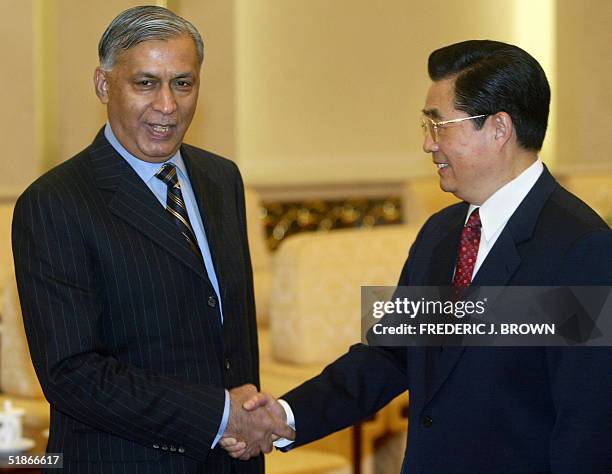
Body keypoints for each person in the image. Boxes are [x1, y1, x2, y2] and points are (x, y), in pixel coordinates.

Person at [221, 40, 612, 473]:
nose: (429, 144)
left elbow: (588, 426)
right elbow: (390, 355)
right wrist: (285, 417)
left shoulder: (581, 248)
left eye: (440, 125)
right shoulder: (441, 234)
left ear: (499, 129)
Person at [12, 6, 292, 473]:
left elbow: (227, 333)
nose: (167, 104)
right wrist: (220, 415)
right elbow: (72, 374)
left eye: (183, 83)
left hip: (231, 462)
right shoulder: (55, 202)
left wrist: (245, 424)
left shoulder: (221, 179)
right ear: (104, 85)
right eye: (145, 83)